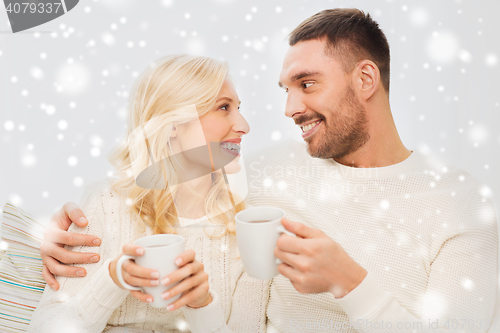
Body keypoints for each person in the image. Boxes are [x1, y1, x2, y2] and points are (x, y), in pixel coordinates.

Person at [41, 8, 498, 333]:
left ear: (365, 80)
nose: (288, 108)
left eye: (307, 84)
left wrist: (351, 284)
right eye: (285, 89)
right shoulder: (260, 177)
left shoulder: (464, 204)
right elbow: (164, 180)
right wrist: (55, 236)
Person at [28, 54, 268, 332]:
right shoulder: (106, 203)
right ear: (174, 123)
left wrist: (201, 305)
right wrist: (114, 278)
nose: (244, 126)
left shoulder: (248, 228)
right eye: (224, 107)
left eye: (238, 107)